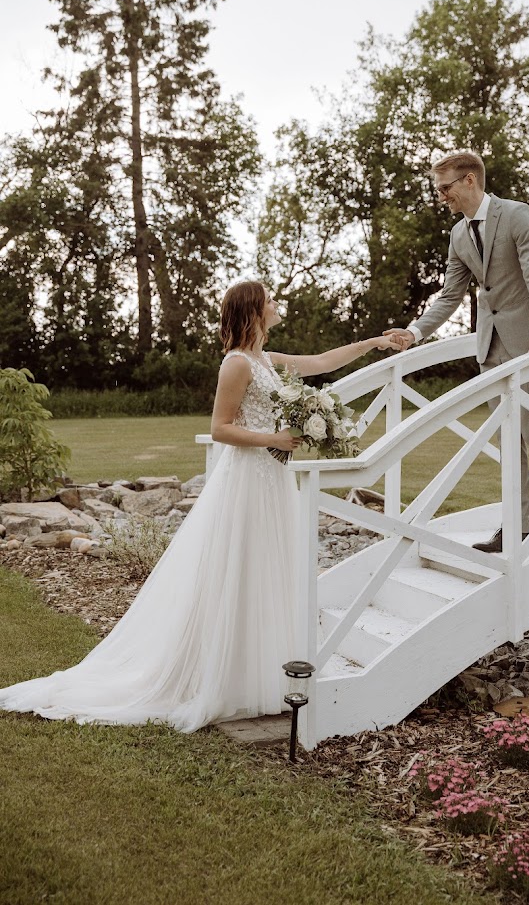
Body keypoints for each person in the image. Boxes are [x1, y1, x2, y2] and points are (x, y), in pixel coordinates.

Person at [0, 281, 396, 733]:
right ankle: (224, 677)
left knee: (269, 568)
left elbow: (323, 362)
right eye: (269, 299)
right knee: (239, 568)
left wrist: (375, 343)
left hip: (274, 479)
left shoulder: (267, 360)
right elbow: (221, 428)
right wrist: (272, 438)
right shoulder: (237, 363)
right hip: (247, 479)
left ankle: (264, 674)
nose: (275, 304)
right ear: (253, 311)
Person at [384, 151, 529, 554]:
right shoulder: (458, 235)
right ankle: (517, 526)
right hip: (490, 346)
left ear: (469, 180)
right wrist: (414, 332)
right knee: (507, 437)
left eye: (444, 188)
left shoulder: (516, 214)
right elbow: (450, 295)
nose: (441, 196)